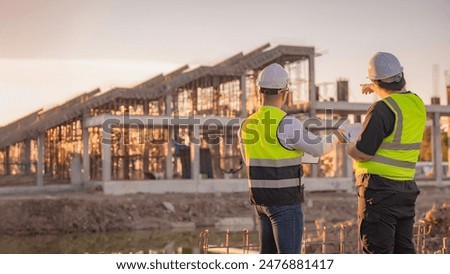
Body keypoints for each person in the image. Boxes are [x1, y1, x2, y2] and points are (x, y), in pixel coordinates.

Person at [239, 63, 338, 254]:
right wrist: (339, 136)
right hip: (284, 202)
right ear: (285, 92)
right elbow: (318, 147)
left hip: (260, 202)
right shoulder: (287, 123)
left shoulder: (246, 125)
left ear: (259, 91)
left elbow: (249, 160)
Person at [343, 52, 426, 253]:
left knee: (377, 252)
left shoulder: (381, 109)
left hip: (379, 191)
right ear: (402, 75)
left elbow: (363, 152)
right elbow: (397, 95)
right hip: (406, 189)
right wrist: (374, 86)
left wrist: (348, 144)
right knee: (403, 251)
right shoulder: (417, 104)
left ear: (376, 81)